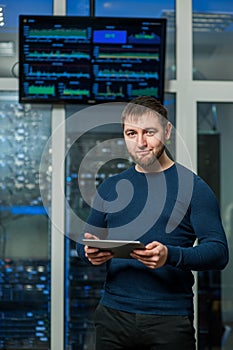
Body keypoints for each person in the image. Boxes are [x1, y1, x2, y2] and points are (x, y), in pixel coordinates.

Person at [76, 96, 229, 350]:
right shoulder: (111, 187)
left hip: (168, 321)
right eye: (131, 133)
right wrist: (89, 251)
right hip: (113, 316)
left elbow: (218, 252)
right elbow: (85, 244)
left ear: (167, 131)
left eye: (149, 132)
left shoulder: (193, 188)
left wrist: (170, 255)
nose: (141, 143)